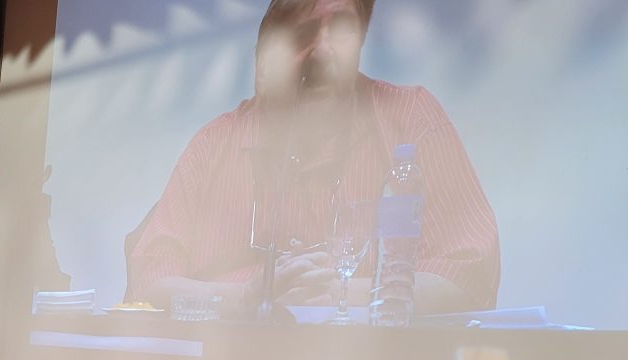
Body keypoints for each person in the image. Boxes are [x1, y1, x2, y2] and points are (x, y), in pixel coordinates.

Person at [125, 0, 500, 317]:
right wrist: (249, 296)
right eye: (303, 34)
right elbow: (149, 287)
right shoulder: (214, 145)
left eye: (341, 31)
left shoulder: (411, 120)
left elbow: (467, 275)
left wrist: (337, 294)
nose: (322, 51)